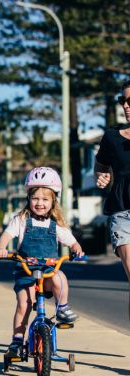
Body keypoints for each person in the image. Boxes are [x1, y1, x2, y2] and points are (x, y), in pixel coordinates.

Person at [0, 167, 84, 357]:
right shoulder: (21, 220)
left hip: (48, 272)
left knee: (60, 278)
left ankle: (62, 309)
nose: (40, 203)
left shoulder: (55, 225)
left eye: (45, 199)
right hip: (26, 272)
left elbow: (71, 241)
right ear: (29, 198)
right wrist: (2, 248)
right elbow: (6, 235)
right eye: (35, 198)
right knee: (24, 304)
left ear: (53, 201)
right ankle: (17, 341)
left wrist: (77, 249)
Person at [95, 79, 130, 319]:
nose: (126, 105)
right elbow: (100, 165)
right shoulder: (111, 137)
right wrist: (102, 176)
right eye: (123, 100)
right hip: (122, 214)